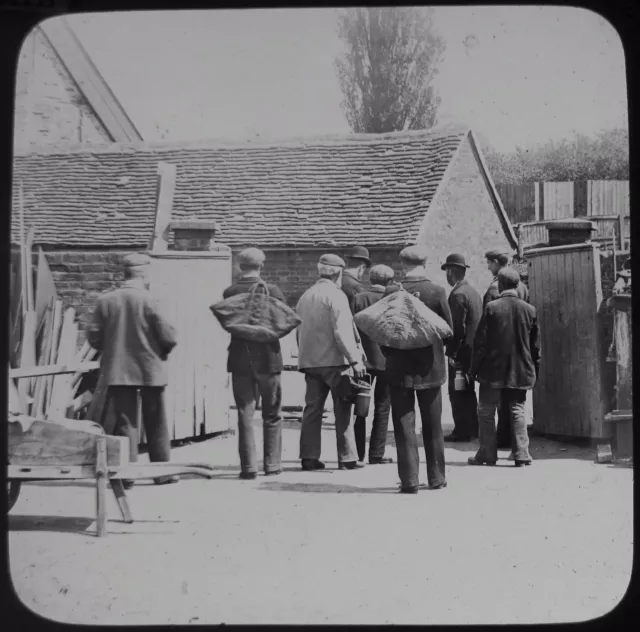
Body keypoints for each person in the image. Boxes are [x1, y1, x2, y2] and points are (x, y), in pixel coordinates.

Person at [87, 253, 178, 488]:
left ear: (125, 273)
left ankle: (127, 475)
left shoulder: (105, 301)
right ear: (144, 274)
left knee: (126, 422)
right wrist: (161, 353)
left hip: (118, 369)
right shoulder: (153, 300)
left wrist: (111, 349)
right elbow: (169, 336)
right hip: (151, 368)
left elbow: (94, 337)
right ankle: (162, 473)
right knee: (156, 421)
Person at [381, 246, 453, 493]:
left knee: (403, 426)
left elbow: (382, 330)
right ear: (426, 262)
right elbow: (448, 330)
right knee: (433, 425)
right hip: (430, 367)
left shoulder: (391, 292)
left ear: (402, 265)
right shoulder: (437, 291)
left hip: (399, 368)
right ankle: (436, 477)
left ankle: (409, 480)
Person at [296, 254, 367, 471]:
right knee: (343, 407)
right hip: (336, 362)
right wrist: (355, 360)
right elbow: (342, 331)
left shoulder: (305, 297)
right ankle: (347, 458)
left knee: (312, 410)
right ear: (337, 273)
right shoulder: (336, 296)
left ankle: (309, 457)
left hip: (310, 362)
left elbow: (300, 331)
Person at [222, 248, 286, 480]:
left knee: (244, 414)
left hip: (240, 359)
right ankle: (272, 464)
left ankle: (248, 467)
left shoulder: (229, 292)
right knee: (272, 413)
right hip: (269, 359)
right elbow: (283, 323)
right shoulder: (274, 291)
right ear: (262, 266)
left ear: (240, 266)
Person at [469, 267, 541, 467]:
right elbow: (535, 347)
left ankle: (487, 453)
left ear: (499, 285)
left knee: (486, 411)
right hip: (520, 369)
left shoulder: (491, 308)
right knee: (517, 409)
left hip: (493, 370)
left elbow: (480, 344)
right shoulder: (530, 310)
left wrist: (473, 369)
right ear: (517, 285)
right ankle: (521, 454)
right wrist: (535, 371)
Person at [483, 249, 529, 451]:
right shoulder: (523, 287)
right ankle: (518, 448)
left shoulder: (494, 289)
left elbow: (485, 330)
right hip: (519, 354)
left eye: (488, 263)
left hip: (498, 356)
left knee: (497, 402)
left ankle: (498, 441)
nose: (487, 267)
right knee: (516, 404)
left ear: (495, 263)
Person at [351, 264, 396, 464]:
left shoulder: (358, 299)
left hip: (363, 362)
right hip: (387, 362)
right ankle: (376, 453)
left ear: (371, 280)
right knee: (383, 407)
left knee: (360, 407)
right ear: (389, 281)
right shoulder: (393, 300)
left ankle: (357, 452)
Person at [441, 253, 483, 442]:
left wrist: (452, 352)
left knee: (457, 390)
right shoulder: (472, 292)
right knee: (467, 389)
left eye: (447, 272)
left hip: (460, 354)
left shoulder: (458, 295)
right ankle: (473, 427)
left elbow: (457, 328)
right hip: (471, 352)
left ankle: (462, 430)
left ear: (451, 272)